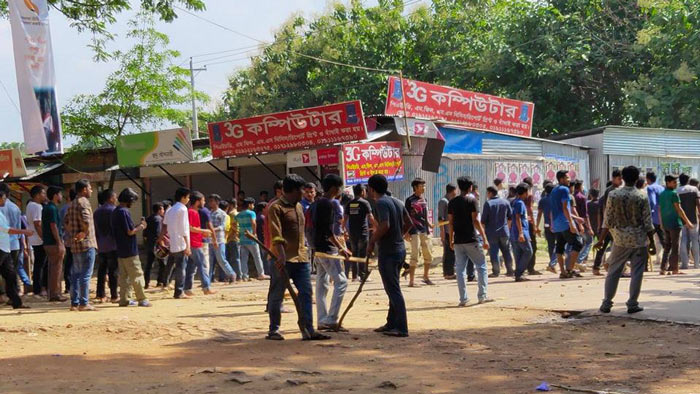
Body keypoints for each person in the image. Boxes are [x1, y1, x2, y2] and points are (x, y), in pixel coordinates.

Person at [266, 174, 330, 341]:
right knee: (277, 295)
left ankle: (308, 329)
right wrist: (280, 255)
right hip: (283, 260)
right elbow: (276, 233)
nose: (304, 193)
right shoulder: (276, 208)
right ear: (293, 190)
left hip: (301, 259)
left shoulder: (299, 207)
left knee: (306, 293)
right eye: (301, 190)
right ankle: (274, 330)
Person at [595, 166, 656, 314]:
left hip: (620, 239)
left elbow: (607, 220)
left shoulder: (614, 195)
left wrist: (601, 240)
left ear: (622, 177)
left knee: (613, 272)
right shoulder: (641, 196)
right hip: (639, 239)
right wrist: (652, 242)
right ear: (637, 178)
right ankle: (632, 304)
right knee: (637, 273)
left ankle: (607, 303)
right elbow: (647, 222)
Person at [367, 174, 411, 337]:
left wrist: (372, 242)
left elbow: (385, 225)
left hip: (389, 252)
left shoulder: (381, 203)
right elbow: (409, 223)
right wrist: (399, 235)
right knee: (393, 287)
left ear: (371, 189)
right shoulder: (397, 201)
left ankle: (401, 327)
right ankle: (391, 322)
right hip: (399, 249)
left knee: (393, 290)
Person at [311, 174, 349, 331]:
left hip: (317, 248)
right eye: (339, 188)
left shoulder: (316, 203)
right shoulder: (328, 204)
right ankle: (331, 318)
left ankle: (321, 319)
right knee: (341, 282)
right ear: (334, 188)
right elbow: (327, 230)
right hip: (327, 249)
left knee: (322, 284)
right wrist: (341, 247)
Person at [448, 176, 493, 307]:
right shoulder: (472, 201)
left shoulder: (452, 202)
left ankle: (463, 299)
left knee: (460, 270)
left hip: (458, 240)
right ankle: (482, 296)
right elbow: (476, 221)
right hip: (471, 239)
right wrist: (484, 238)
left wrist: (451, 239)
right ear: (470, 187)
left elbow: (450, 223)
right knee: (481, 266)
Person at [111, 188, 151, 307]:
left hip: (120, 249)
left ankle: (125, 299)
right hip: (130, 250)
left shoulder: (115, 211)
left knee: (124, 277)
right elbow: (130, 231)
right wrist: (142, 227)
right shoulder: (124, 212)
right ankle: (142, 299)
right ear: (129, 200)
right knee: (136, 274)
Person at [63, 179, 98, 311]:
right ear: (84, 189)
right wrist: (84, 232)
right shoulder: (84, 202)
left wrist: (74, 234)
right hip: (87, 244)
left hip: (75, 245)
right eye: (90, 188)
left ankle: (74, 303)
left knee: (76, 274)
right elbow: (86, 220)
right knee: (86, 274)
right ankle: (84, 303)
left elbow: (66, 221)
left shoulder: (71, 204)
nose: (91, 190)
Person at [0, 188, 34, 309]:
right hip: (2, 248)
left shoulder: (2, 212)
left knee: (11, 275)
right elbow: (5, 229)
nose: (5, 200)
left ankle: (16, 301)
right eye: (4, 198)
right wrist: (24, 231)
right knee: (10, 275)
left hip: (5, 248)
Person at [658, 175, 694, 275]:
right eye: (674, 182)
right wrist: (687, 222)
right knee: (675, 247)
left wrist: (661, 223)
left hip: (666, 223)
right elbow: (679, 209)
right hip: (675, 223)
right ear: (668, 182)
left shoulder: (662, 194)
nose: (676, 184)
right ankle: (675, 269)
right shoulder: (674, 194)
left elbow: (660, 210)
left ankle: (662, 268)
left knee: (667, 247)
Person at [551, 170, 584, 279]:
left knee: (559, 248)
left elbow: (555, 210)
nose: (569, 180)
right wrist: (572, 223)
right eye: (567, 177)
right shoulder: (565, 190)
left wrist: (552, 223)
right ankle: (569, 269)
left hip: (557, 224)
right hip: (565, 223)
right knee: (578, 243)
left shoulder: (554, 190)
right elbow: (565, 208)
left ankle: (562, 271)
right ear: (561, 179)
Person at [160, 188, 191, 299]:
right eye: (188, 197)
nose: (188, 199)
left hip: (173, 242)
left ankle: (169, 285)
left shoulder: (170, 210)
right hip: (181, 243)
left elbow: (165, 225)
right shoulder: (183, 209)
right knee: (181, 268)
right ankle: (179, 291)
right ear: (183, 197)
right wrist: (188, 245)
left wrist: (161, 238)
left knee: (174, 267)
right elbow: (184, 229)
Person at [405, 177, 434, 287]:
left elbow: (424, 214)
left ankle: (426, 277)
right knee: (414, 255)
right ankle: (411, 281)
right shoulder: (409, 200)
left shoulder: (424, 199)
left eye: (424, 186)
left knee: (428, 254)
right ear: (415, 187)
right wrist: (406, 232)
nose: (424, 188)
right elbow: (406, 217)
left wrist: (429, 224)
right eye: (422, 186)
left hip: (424, 231)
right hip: (414, 231)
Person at [185, 191, 215, 295]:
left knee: (191, 266)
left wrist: (202, 233)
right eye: (203, 200)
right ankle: (206, 287)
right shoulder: (192, 212)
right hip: (194, 243)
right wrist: (204, 231)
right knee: (202, 264)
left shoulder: (193, 212)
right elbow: (189, 228)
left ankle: (187, 288)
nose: (204, 202)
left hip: (194, 242)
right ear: (197, 201)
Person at [593, 171, 622, 274]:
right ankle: (609, 264)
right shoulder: (613, 191)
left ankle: (597, 267)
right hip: (611, 224)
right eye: (619, 179)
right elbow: (605, 210)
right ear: (614, 178)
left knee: (603, 246)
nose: (621, 181)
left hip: (607, 223)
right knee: (618, 246)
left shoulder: (607, 192)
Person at [480, 186, 514, 277]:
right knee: (506, 251)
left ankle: (496, 271)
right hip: (504, 232)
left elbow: (483, 221)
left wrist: (482, 234)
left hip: (491, 233)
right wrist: (508, 228)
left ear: (490, 193)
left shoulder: (488, 204)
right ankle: (510, 270)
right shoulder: (506, 202)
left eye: (487, 193)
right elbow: (510, 217)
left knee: (494, 252)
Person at [344, 184, 375, 281]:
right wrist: (376, 226)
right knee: (362, 253)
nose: (366, 192)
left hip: (352, 232)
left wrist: (344, 230)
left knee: (354, 253)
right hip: (363, 232)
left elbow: (344, 219)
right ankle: (362, 275)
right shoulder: (365, 203)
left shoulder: (349, 203)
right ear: (362, 192)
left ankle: (354, 276)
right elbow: (370, 217)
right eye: (365, 191)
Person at [94, 189, 118, 303]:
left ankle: (100, 294)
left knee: (101, 270)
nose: (116, 199)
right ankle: (114, 295)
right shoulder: (114, 211)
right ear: (111, 198)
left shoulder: (97, 212)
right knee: (113, 271)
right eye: (115, 197)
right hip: (113, 244)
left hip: (101, 245)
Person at [42, 186, 66, 302]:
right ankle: (55, 294)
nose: (61, 196)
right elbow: (53, 226)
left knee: (52, 268)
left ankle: (52, 293)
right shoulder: (52, 209)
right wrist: (59, 242)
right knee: (57, 269)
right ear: (56, 195)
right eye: (60, 194)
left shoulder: (46, 208)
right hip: (53, 242)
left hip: (47, 242)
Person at [236, 197, 267, 280]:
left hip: (242, 238)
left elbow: (233, 224)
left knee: (244, 258)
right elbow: (253, 223)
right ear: (249, 205)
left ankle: (244, 276)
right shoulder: (252, 213)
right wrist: (254, 233)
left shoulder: (239, 214)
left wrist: (238, 232)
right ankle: (261, 274)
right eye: (252, 204)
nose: (253, 206)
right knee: (257, 256)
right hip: (251, 238)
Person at [207, 194, 236, 283]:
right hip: (210, 240)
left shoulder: (222, 213)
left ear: (217, 202)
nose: (210, 203)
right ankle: (208, 279)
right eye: (210, 201)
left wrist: (212, 229)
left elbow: (223, 226)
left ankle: (231, 274)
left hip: (219, 239)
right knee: (210, 261)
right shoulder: (209, 213)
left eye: (212, 201)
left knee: (221, 259)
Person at [676, 174, 700, 270]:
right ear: (688, 180)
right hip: (693, 218)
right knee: (695, 240)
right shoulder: (694, 189)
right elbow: (698, 203)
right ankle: (696, 263)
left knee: (683, 240)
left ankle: (684, 264)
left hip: (681, 219)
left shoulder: (677, 190)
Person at [27, 185, 47, 296]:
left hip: (33, 238)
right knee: (41, 264)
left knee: (38, 264)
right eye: (43, 193)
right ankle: (39, 288)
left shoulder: (29, 205)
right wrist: (44, 238)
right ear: (38, 195)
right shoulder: (37, 206)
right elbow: (37, 223)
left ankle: (37, 287)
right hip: (38, 239)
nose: (44, 196)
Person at [511, 183, 533, 282]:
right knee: (529, 251)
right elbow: (517, 217)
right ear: (524, 192)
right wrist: (521, 233)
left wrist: (526, 218)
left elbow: (519, 217)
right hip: (520, 232)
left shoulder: (516, 202)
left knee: (519, 254)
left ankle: (518, 275)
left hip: (515, 233)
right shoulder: (520, 203)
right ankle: (519, 272)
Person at [536, 182, 558, 273]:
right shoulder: (556, 199)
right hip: (557, 225)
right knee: (560, 244)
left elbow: (539, 214)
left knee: (550, 245)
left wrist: (536, 226)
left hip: (547, 225)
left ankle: (552, 262)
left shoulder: (542, 200)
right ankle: (553, 263)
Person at [645, 172, 665, 270]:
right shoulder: (661, 187)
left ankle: (646, 265)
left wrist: (650, 211)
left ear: (647, 179)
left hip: (653, 218)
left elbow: (652, 202)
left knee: (647, 241)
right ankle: (663, 260)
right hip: (662, 217)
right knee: (662, 240)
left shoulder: (650, 188)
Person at [573, 180, 594, 270]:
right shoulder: (582, 197)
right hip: (582, 223)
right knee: (589, 241)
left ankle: (575, 261)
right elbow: (585, 214)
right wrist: (589, 227)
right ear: (580, 186)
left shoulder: (572, 196)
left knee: (579, 243)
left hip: (573, 223)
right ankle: (579, 260)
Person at [522, 177, 541, 275]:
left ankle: (523, 266)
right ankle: (531, 268)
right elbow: (529, 209)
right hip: (528, 222)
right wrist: (534, 225)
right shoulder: (529, 195)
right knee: (532, 245)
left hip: (521, 222)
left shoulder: (520, 196)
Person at [438, 183, 457, 280]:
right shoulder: (443, 201)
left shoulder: (451, 201)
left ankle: (450, 271)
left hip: (451, 230)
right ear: (452, 191)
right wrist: (442, 232)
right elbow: (440, 218)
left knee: (451, 252)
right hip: (446, 230)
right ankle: (448, 273)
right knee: (448, 252)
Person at [144, 203, 164, 289]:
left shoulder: (148, 219)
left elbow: (144, 233)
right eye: (162, 209)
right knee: (163, 264)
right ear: (159, 210)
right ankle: (160, 282)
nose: (163, 211)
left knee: (149, 264)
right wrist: (161, 243)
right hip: (157, 245)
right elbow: (158, 232)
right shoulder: (159, 219)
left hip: (149, 244)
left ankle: (146, 283)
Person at [59, 189, 76, 293]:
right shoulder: (73, 208)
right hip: (75, 239)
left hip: (66, 239)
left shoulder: (63, 209)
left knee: (68, 263)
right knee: (74, 263)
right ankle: (72, 286)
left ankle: (68, 286)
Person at [225, 200, 242, 281]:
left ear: (230, 205)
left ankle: (238, 275)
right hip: (236, 238)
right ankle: (238, 275)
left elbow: (233, 226)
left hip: (232, 238)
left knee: (234, 258)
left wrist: (233, 230)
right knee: (236, 258)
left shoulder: (231, 214)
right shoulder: (238, 213)